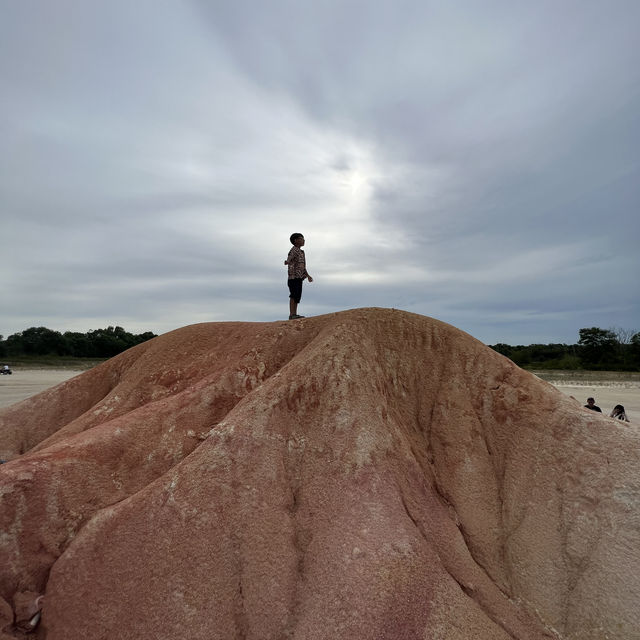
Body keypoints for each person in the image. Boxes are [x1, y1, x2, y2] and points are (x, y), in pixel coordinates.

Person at [284, 232, 313, 320]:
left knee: (297, 296)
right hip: (293, 277)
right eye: (301, 238)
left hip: (299, 277)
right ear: (296, 240)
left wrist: (307, 275)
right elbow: (289, 258)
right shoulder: (294, 250)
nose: (303, 240)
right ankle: (292, 314)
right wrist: (287, 261)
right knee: (293, 295)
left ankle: (294, 314)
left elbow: (302, 266)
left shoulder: (301, 252)